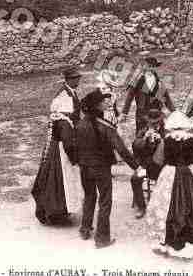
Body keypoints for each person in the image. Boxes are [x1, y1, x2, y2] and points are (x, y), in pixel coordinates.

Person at [76, 90, 139, 249]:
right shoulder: (105, 126)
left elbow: (73, 145)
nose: (107, 103)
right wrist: (136, 167)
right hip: (100, 168)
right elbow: (122, 150)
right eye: (103, 101)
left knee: (89, 196)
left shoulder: (80, 123)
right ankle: (102, 238)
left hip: (84, 167)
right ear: (97, 105)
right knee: (105, 200)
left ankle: (85, 228)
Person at [146, 111, 193, 260]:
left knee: (166, 206)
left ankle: (169, 241)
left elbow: (157, 160)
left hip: (170, 174)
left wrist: (151, 172)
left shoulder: (166, 141)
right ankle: (189, 245)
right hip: (189, 174)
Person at [30, 68, 83, 226]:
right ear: (68, 79)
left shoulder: (70, 92)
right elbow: (66, 139)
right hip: (61, 151)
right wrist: (74, 157)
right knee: (60, 183)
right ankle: (57, 213)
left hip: (58, 147)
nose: (78, 80)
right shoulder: (64, 111)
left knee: (57, 183)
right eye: (74, 78)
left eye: (78, 77)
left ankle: (59, 212)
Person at [120, 57, 175, 135]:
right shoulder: (137, 81)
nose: (150, 69)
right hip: (142, 112)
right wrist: (124, 113)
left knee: (160, 134)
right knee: (141, 135)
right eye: (148, 66)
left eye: (153, 66)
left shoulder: (159, 82)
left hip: (157, 111)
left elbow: (166, 98)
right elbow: (129, 97)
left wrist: (174, 112)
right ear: (144, 67)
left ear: (155, 68)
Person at [130, 100, 166, 219]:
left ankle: (165, 206)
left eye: (156, 123)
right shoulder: (144, 130)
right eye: (151, 123)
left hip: (162, 166)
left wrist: (161, 140)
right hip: (146, 166)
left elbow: (172, 149)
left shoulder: (166, 131)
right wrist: (145, 139)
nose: (154, 126)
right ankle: (141, 207)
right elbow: (135, 145)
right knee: (135, 179)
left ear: (160, 122)